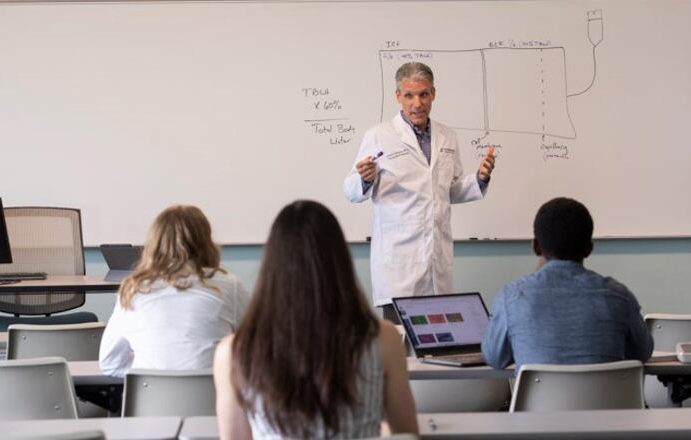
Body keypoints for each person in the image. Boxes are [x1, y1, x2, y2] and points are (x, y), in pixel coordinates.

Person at [213, 200, 418, 439]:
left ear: (271, 266)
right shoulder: (384, 339)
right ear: (340, 261)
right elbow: (407, 434)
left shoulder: (234, 352)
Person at [343, 61, 497, 319]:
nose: (417, 103)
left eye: (424, 94)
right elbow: (350, 190)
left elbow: (449, 190)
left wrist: (479, 179)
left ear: (433, 93)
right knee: (398, 351)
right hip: (399, 267)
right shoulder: (380, 136)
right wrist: (365, 179)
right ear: (398, 97)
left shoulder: (447, 137)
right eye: (409, 95)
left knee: (440, 346)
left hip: (437, 262)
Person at [482, 197, 653, 373]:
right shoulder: (620, 297)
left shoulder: (512, 298)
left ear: (536, 247)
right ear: (589, 249)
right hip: (607, 401)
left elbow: (494, 358)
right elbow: (642, 353)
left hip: (541, 401)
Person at [99, 205, 249, 377]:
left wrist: (147, 371)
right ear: (207, 242)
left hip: (149, 402)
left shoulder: (133, 290)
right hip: (211, 401)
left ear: (154, 243)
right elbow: (259, 350)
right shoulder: (229, 286)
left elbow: (110, 364)